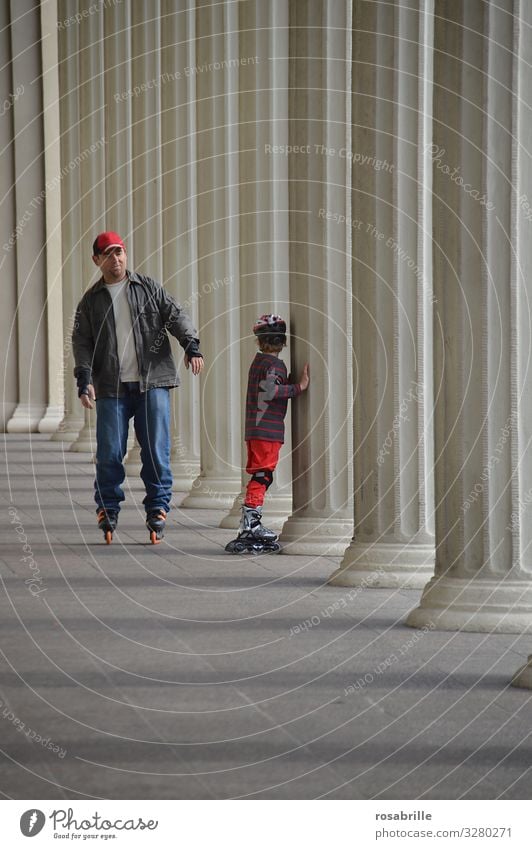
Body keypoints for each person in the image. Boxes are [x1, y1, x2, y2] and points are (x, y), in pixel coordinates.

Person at [72, 231, 204, 543]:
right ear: (97, 260)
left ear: (125, 255)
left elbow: (176, 315)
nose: (115, 259)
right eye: (107, 254)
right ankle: (108, 507)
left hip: (152, 382)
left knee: (156, 450)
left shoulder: (148, 288)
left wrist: (191, 345)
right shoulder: (90, 302)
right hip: (110, 387)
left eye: (119, 252)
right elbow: (82, 342)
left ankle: (157, 507)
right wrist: (83, 380)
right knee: (109, 452)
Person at [225, 313, 309, 554]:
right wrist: (298, 387)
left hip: (255, 430)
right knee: (263, 476)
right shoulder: (274, 364)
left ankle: (250, 522)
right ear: (282, 342)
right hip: (267, 431)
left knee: (261, 475)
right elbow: (271, 390)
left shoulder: (259, 362)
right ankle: (250, 524)